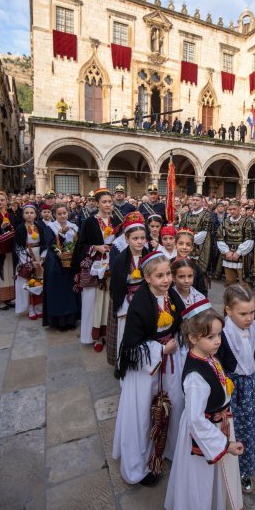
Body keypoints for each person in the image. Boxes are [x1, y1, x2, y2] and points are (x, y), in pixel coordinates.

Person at [165, 299, 244, 510]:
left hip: (218, 425)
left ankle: (212, 508)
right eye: (210, 337)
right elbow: (196, 421)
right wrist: (225, 445)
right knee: (200, 480)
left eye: (219, 335)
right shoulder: (195, 378)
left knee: (212, 480)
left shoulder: (207, 356)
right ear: (193, 338)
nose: (217, 341)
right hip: (205, 433)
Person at [112, 251, 185, 486]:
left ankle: (166, 450)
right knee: (145, 414)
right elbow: (132, 348)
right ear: (147, 278)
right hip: (146, 371)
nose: (166, 280)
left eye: (168, 275)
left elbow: (181, 320)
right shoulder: (140, 304)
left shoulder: (170, 295)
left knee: (173, 406)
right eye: (159, 276)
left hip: (170, 365)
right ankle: (140, 465)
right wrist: (161, 351)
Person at [218, 285, 255, 493]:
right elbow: (219, 363)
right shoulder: (222, 333)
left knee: (253, 429)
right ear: (228, 311)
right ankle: (229, 469)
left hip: (253, 386)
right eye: (243, 314)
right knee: (234, 430)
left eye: (252, 312)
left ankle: (246, 470)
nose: (249, 318)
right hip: (234, 388)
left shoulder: (254, 327)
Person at [72, 189, 114, 351]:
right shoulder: (90, 222)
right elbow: (81, 245)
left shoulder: (116, 220)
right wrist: (96, 247)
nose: (108, 204)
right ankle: (94, 336)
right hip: (95, 267)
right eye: (104, 202)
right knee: (93, 301)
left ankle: (107, 334)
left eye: (110, 201)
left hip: (111, 266)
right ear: (97, 204)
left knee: (108, 302)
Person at [109, 213, 148, 361]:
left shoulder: (148, 255)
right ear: (127, 239)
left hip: (144, 299)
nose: (140, 242)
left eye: (142, 238)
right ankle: (125, 362)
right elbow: (117, 284)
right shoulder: (120, 260)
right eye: (135, 238)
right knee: (126, 332)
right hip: (126, 300)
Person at [43, 203, 79, 331]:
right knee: (57, 292)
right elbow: (51, 244)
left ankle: (71, 320)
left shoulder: (74, 226)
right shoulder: (50, 227)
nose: (62, 216)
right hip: (55, 264)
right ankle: (59, 322)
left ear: (68, 213)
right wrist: (62, 235)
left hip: (70, 263)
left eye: (64, 213)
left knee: (70, 292)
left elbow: (77, 242)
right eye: (59, 214)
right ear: (54, 215)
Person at [14, 204, 45, 320]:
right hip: (27, 257)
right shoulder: (21, 228)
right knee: (28, 282)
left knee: (38, 282)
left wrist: (42, 258)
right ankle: (30, 308)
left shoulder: (39, 226)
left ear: (36, 214)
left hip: (38, 256)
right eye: (26, 212)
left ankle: (38, 307)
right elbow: (18, 247)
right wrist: (29, 261)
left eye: (32, 212)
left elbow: (44, 243)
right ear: (23, 215)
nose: (29, 215)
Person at [216, 200, 255, 286]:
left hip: (242, 257)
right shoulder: (225, 221)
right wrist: (227, 251)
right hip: (228, 255)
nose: (232, 211)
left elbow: (250, 238)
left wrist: (238, 252)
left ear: (239, 209)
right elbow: (220, 237)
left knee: (244, 284)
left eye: (234, 209)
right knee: (230, 283)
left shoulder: (247, 222)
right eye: (230, 209)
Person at [180, 193, 213, 276]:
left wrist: (188, 239)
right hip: (187, 246)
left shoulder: (207, 215)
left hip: (201, 247)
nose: (194, 202)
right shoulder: (186, 214)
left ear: (202, 202)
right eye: (193, 200)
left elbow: (204, 234)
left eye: (197, 200)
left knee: (199, 273)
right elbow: (181, 230)